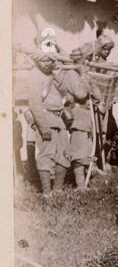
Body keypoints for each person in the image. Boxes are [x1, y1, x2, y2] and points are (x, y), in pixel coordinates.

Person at [25, 51, 69, 194]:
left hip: (59, 119)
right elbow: (35, 104)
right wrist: (43, 128)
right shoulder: (34, 76)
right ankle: (46, 192)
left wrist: (57, 75)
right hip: (45, 119)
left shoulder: (54, 74)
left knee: (63, 153)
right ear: (37, 61)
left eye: (50, 60)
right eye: (43, 61)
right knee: (46, 154)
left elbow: (64, 91)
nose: (47, 64)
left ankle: (58, 190)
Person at [57, 44, 97, 189]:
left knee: (86, 149)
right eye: (89, 58)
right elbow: (80, 93)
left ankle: (85, 182)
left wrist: (87, 76)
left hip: (86, 117)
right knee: (79, 151)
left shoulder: (81, 74)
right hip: (78, 117)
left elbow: (95, 94)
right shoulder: (72, 74)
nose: (90, 61)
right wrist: (85, 76)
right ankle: (80, 185)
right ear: (83, 59)